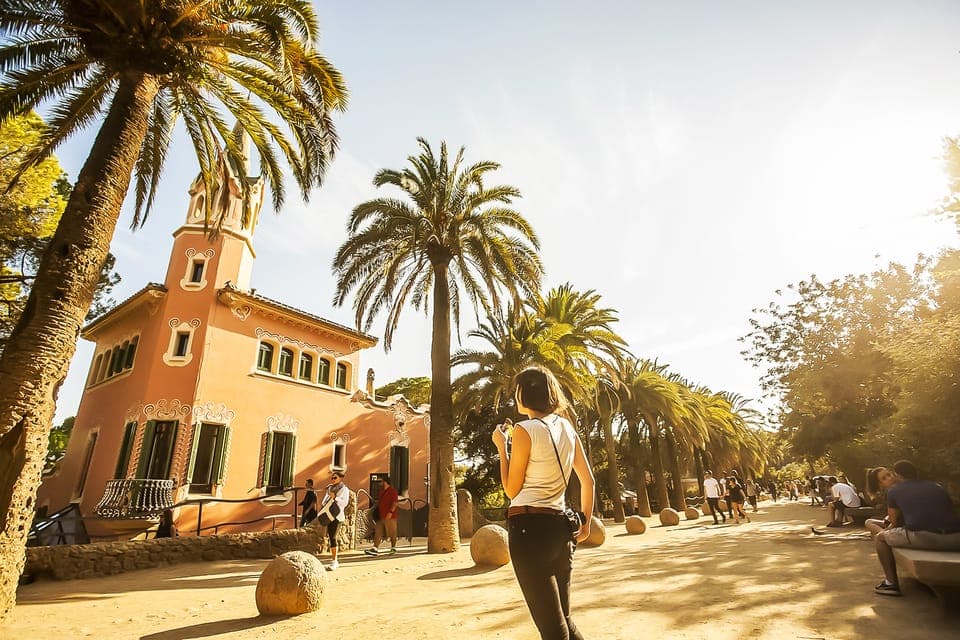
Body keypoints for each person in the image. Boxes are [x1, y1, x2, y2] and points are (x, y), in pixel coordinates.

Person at [492, 366, 595, 640]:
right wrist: (584, 524)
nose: (515, 397)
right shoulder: (567, 427)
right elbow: (589, 481)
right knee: (566, 621)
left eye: (517, 391)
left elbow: (512, 490)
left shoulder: (524, 430)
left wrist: (503, 449)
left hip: (528, 530)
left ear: (526, 393)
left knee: (553, 631)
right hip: (561, 528)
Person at [874, 460, 960, 597]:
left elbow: (894, 522)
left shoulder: (894, 491)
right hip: (955, 538)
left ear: (898, 475)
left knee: (880, 538)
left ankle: (890, 583)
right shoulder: (937, 486)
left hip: (925, 537)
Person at [318, 470, 350, 570]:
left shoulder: (344, 489)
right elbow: (324, 502)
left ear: (340, 478)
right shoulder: (330, 489)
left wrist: (335, 497)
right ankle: (333, 560)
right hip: (329, 515)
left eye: (335, 478)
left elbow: (344, 503)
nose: (333, 479)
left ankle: (335, 561)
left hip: (338, 515)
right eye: (332, 478)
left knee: (333, 537)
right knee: (330, 536)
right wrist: (328, 497)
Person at [365, 473, 399, 556]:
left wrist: (390, 512)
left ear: (385, 482)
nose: (379, 483)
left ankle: (393, 548)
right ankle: (375, 548)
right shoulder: (381, 492)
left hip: (390, 516)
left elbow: (394, 503)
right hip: (381, 516)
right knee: (378, 532)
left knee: (392, 532)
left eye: (380, 481)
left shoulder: (392, 491)